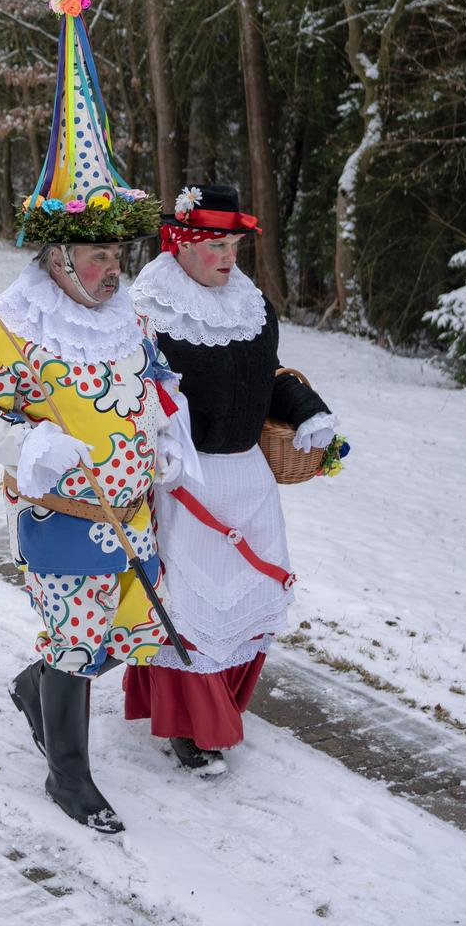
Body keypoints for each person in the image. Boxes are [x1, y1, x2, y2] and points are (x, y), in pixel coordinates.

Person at [0, 0, 192, 836]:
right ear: (53, 256)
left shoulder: (125, 315)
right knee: (78, 644)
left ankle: (32, 690)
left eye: (115, 253)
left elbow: (152, 384)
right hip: (63, 512)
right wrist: (22, 440)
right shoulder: (16, 322)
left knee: (114, 636)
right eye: (92, 256)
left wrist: (169, 430)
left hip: (132, 509)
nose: (109, 270)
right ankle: (69, 778)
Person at [123, 183, 342, 776]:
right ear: (181, 244)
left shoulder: (251, 304)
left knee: (249, 602)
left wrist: (306, 408)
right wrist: (159, 447)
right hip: (183, 479)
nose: (228, 257)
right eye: (215, 245)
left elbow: (266, 374)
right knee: (186, 608)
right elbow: (133, 393)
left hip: (249, 476)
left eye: (235, 246)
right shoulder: (146, 310)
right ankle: (194, 726)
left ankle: (223, 701)